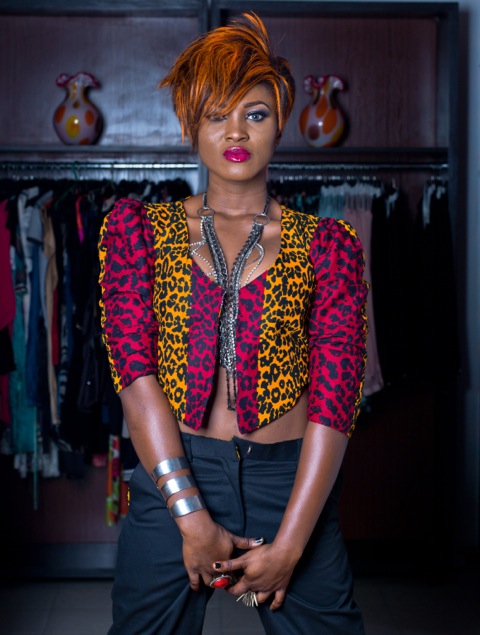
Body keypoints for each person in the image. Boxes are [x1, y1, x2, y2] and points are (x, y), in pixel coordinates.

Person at [98, 12, 368, 635]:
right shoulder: (138, 233)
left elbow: (336, 401)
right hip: (175, 476)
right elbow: (136, 380)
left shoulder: (329, 245)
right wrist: (191, 518)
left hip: (288, 484)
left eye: (255, 113)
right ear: (190, 125)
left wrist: (292, 545)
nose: (236, 131)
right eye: (216, 115)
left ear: (281, 122)